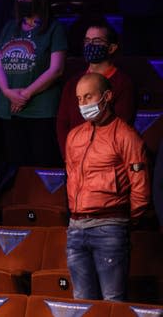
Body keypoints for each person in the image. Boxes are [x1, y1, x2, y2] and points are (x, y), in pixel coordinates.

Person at [65, 73, 150, 301]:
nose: (83, 104)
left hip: (110, 227)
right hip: (75, 227)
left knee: (113, 301)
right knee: (82, 302)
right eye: (79, 99)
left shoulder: (126, 136)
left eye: (88, 97)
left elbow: (140, 188)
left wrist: (120, 220)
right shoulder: (73, 136)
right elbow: (72, 180)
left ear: (107, 96)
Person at [0, 0, 67, 166]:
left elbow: (56, 69)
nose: (22, 0)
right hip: (9, 108)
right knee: (15, 166)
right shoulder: (9, 28)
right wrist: (8, 93)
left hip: (40, 109)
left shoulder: (54, 28)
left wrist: (26, 94)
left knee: (41, 162)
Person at [56, 21, 136, 157]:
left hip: (105, 159)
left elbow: (121, 125)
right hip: (75, 159)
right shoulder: (73, 83)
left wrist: (97, 157)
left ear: (111, 48)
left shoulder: (123, 83)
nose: (90, 45)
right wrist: (69, 155)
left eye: (97, 41)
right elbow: (63, 123)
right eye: (87, 41)